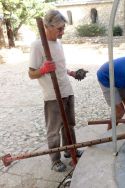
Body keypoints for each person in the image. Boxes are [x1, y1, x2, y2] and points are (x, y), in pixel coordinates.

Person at [28, 10, 84, 172]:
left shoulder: (58, 44)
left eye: (63, 28)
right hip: (52, 95)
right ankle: (55, 160)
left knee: (69, 125)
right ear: (47, 27)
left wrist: (72, 73)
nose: (62, 32)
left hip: (67, 90)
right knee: (54, 130)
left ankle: (70, 150)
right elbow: (31, 73)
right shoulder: (37, 45)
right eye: (59, 29)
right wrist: (43, 69)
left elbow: (59, 66)